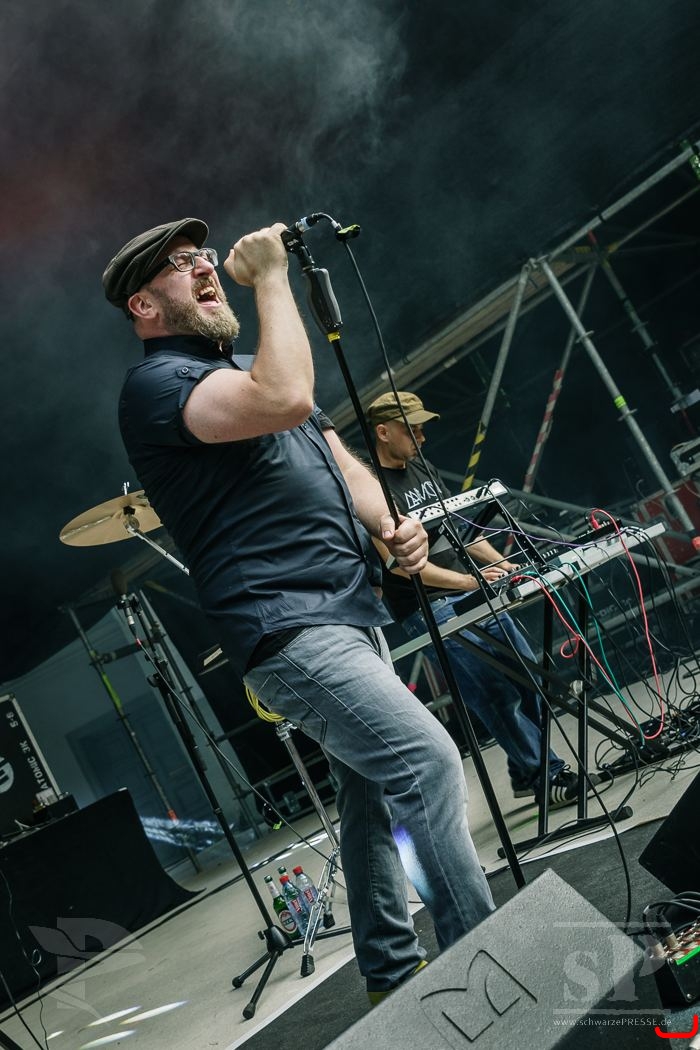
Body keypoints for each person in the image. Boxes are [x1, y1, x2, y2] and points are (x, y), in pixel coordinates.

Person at [102, 219, 495, 1002]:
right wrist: (274, 278)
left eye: (205, 256)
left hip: (347, 609)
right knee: (425, 760)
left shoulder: (241, 367)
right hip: (288, 626)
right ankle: (486, 969)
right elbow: (286, 399)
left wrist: (393, 527)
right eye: (182, 265)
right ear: (143, 305)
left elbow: (339, 457)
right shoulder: (159, 384)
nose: (206, 268)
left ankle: (389, 970)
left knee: (371, 792)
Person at [366, 389, 581, 809]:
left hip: (470, 587)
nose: (422, 438)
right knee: (494, 693)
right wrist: (469, 581)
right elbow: (400, 566)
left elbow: (461, 531)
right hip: (431, 606)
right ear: (383, 432)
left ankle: (524, 771)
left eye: (422, 429)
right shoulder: (370, 490)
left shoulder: (421, 467)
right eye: (412, 430)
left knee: (530, 675)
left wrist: (505, 565)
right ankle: (546, 775)